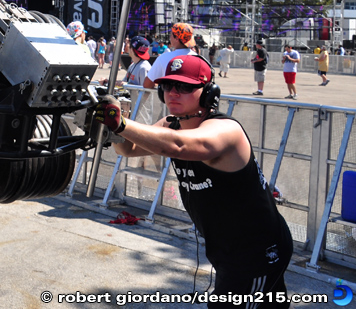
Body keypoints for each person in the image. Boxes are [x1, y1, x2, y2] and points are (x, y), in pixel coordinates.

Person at [94, 55, 292, 306]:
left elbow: (178, 146)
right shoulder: (172, 124)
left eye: (185, 87)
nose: (173, 93)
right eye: (167, 86)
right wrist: (113, 126)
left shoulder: (225, 130)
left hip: (256, 250)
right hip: (227, 248)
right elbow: (129, 150)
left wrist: (121, 124)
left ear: (208, 93)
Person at [142, 23, 197, 90]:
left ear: (176, 38)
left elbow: (147, 84)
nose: (170, 37)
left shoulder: (163, 58)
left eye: (171, 35)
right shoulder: (198, 59)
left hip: (170, 99)